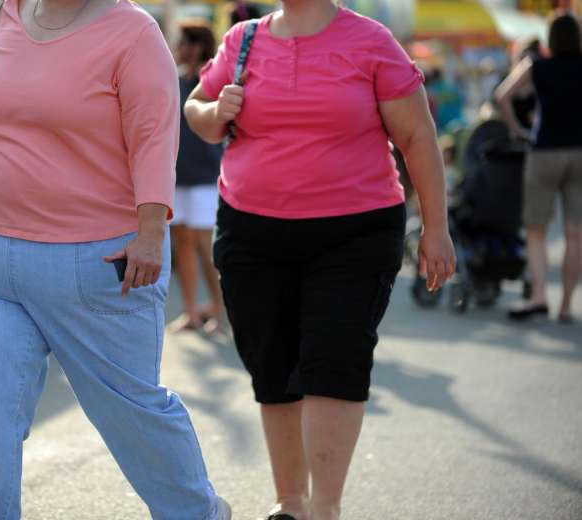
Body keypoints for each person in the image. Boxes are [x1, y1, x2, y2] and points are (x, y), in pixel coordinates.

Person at [0, 1, 230, 519]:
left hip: (97, 262)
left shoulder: (133, 31)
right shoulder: (3, 15)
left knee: (132, 413)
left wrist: (152, 232)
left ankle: (198, 514)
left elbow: (153, 137)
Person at [185, 1, 456, 519]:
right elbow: (196, 107)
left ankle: (325, 509)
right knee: (271, 364)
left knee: (334, 360)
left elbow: (418, 136)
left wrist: (436, 228)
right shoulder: (243, 39)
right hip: (252, 231)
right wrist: (214, 113)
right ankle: (291, 503)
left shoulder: (371, 41)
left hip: (354, 234)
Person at [496, 12, 582, 324]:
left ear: (551, 39)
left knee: (536, 231)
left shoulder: (537, 65)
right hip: (579, 152)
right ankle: (567, 306)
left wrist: (518, 130)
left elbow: (502, 95)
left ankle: (539, 296)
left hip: (544, 150)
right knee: (575, 234)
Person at [169, 21, 225, 333]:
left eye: (185, 42)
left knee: (205, 246)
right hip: (176, 175)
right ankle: (190, 312)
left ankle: (219, 310)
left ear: (199, 46)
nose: (180, 48)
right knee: (183, 244)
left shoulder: (213, 80)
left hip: (206, 175)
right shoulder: (174, 80)